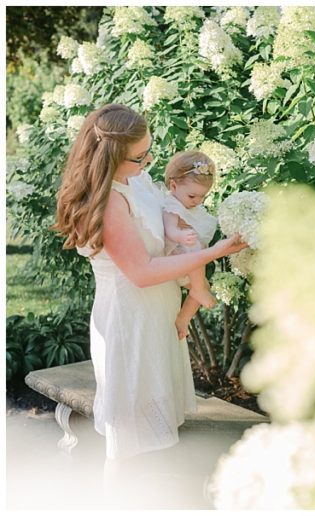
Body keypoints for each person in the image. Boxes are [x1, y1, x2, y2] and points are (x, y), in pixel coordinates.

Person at [53, 104, 247, 459]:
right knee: (130, 445)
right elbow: (141, 273)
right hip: (131, 323)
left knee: (159, 441)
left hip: (159, 314)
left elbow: (166, 221)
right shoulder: (109, 201)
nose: (147, 164)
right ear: (109, 158)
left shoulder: (136, 178)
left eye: (148, 153)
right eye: (138, 158)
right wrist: (212, 253)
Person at [160, 150, 219, 339]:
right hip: (176, 255)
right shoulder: (172, 204)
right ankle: (198, 288)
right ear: (174, 186)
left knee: (204, 286)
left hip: (187, 259)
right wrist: (180, 235)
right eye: (193, 196)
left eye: (203, 197)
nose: (198, 202)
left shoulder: (188, 203)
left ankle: (183, 319)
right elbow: (170, 229)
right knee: (196, 255)